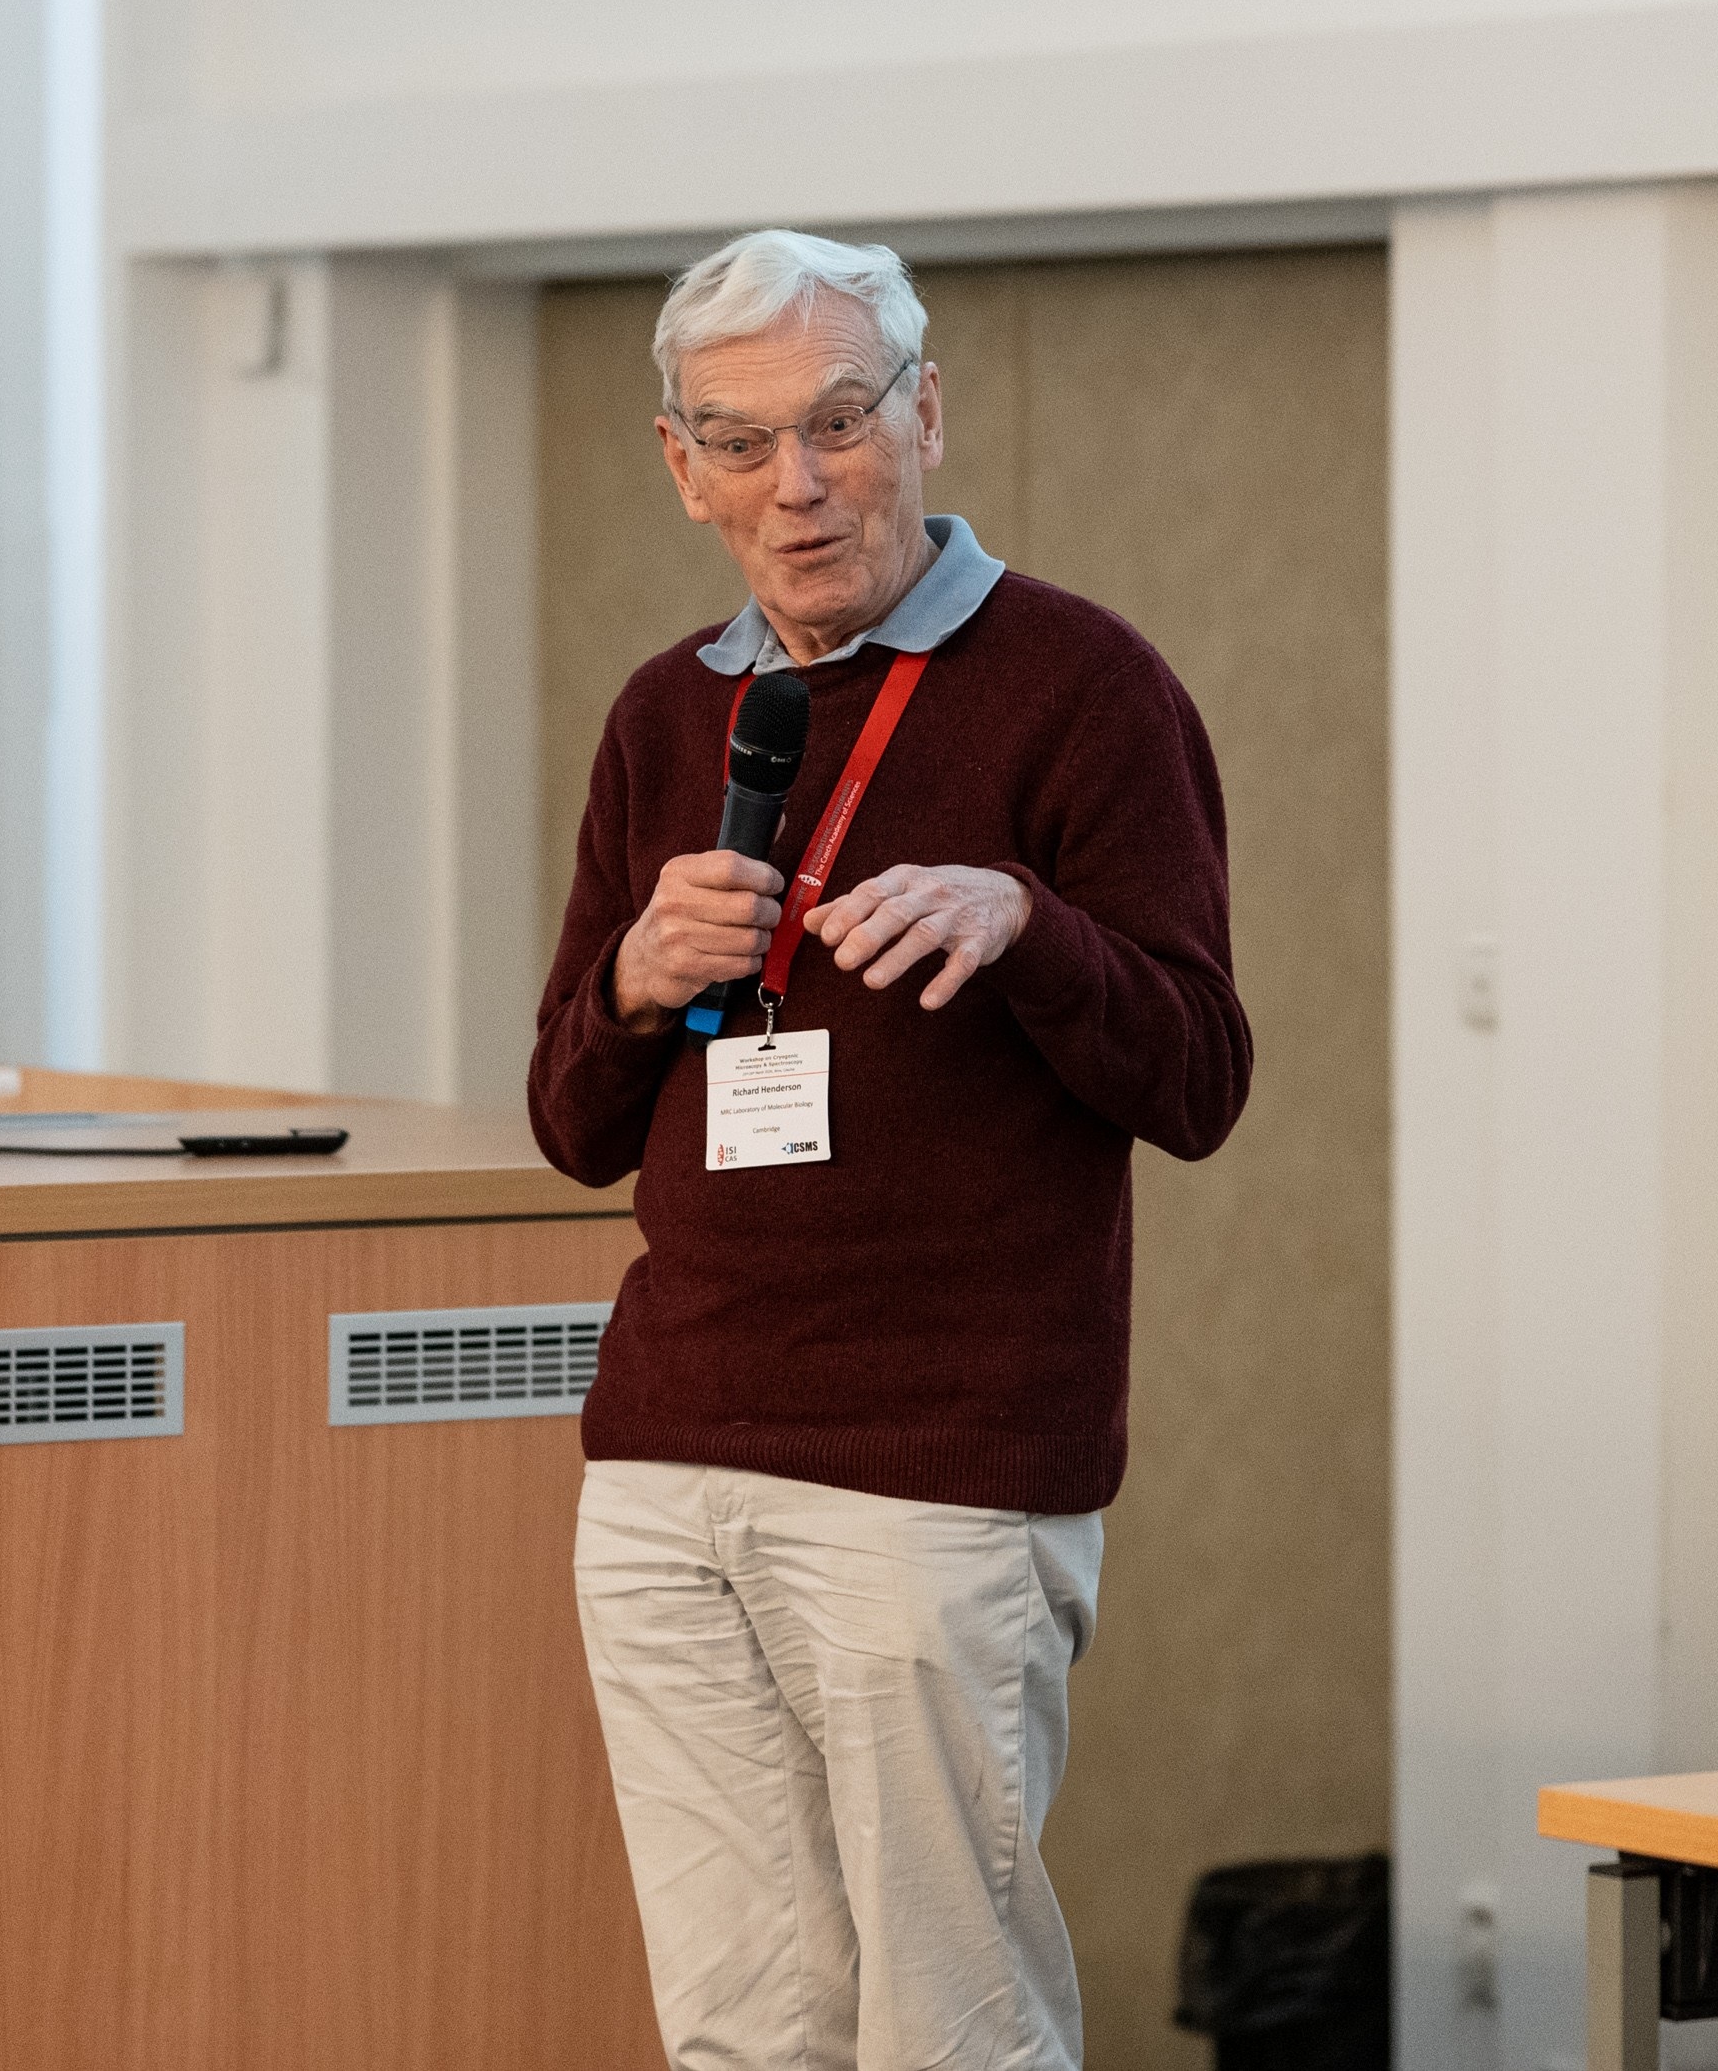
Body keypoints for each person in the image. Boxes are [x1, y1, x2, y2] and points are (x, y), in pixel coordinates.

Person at [529, 228, 1253, 2070]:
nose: (800, 482)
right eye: (743, 441)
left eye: (839, 422)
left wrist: (1030, 927)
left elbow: (1199, 1078)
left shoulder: (1084, 686)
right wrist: (633, 980)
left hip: (935, 1476)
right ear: (684, 469)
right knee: (738, 2033)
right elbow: (568, 1120)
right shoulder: (662, 713)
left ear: (925, 417)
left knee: (948, 2032)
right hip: (669, 1465)